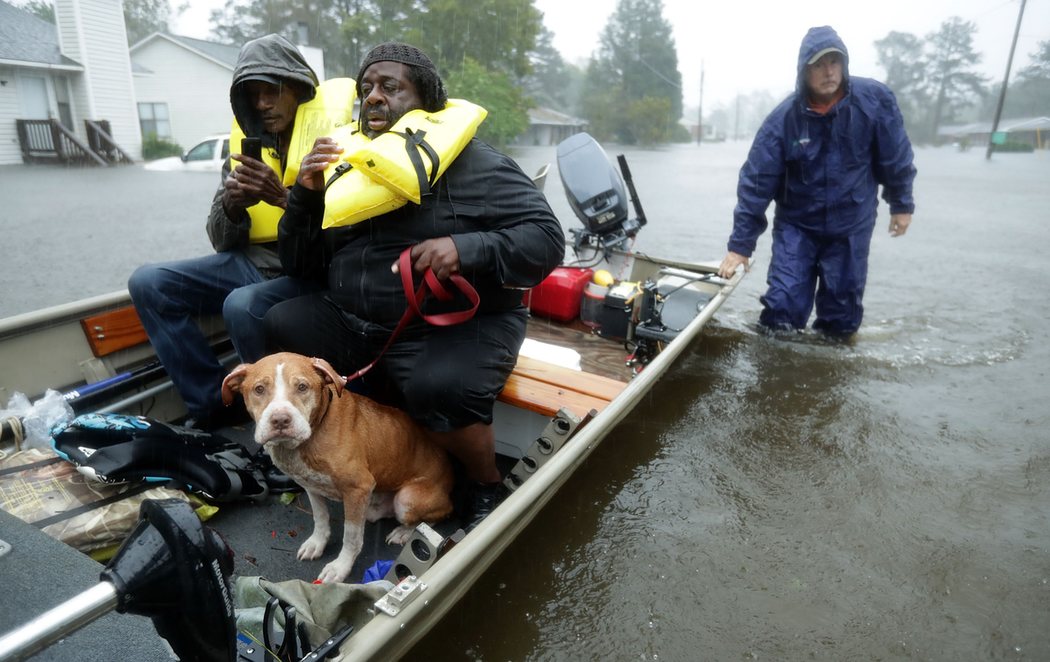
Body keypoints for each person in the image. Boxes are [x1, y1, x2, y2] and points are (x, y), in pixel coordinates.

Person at [264, 42, 566, 529]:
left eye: (390, 87)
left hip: (451, 323)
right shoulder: (350, 163)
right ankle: (322, 450)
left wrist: (466, 248)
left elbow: (547, 241)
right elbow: (299, 266)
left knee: (441, 386)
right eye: (366, 88)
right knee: (280, 321)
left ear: (425, 99)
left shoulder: (478, 165)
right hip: (358, 318)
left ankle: (484, 482)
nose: (373, 97)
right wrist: (303, 196)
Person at [129, 34, 339, 430]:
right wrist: (231, 204)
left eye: (272, 92)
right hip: (251, 262)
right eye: (253, 95)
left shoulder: (334, 140)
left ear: (297, 88)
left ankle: (281, 422)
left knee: (241, 305)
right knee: (148, 283)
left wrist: (282, 196)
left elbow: (342, 234)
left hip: (309, 271)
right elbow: (220, 239)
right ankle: (214, 405)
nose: (262, 104)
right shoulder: (246, 146)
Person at [718, 25, 916, 338]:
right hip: (797, 226)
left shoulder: (874, 101)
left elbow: (896, 156)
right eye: (819, 64)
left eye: (835, 62)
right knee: (781, 311)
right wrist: (740, 246)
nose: (829, 72)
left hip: (851, 224)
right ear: (804, 71)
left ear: (844, 65)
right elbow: (756, 183)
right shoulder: (783, 120)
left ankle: (829, 370)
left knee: (841, 318)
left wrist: (901, 204)